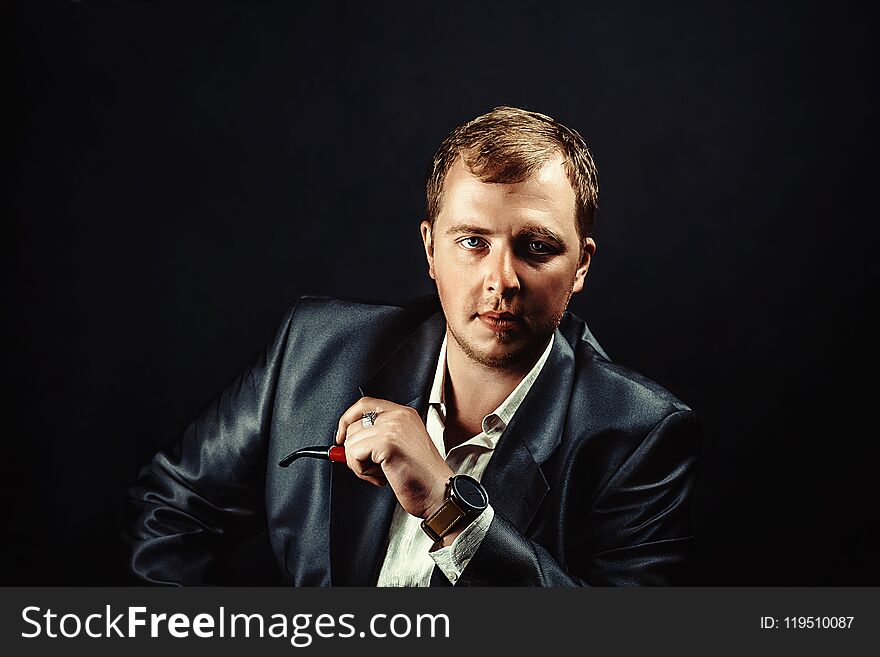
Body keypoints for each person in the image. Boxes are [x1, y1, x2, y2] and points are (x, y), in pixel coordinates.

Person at [127, 106, 700, 586]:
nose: (501, 279)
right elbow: (172, 508)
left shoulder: (641, 435)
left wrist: (452, 513)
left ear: (581, 266)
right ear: (431, 250)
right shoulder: (312, 351)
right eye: (473, 242)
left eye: (536, 247)